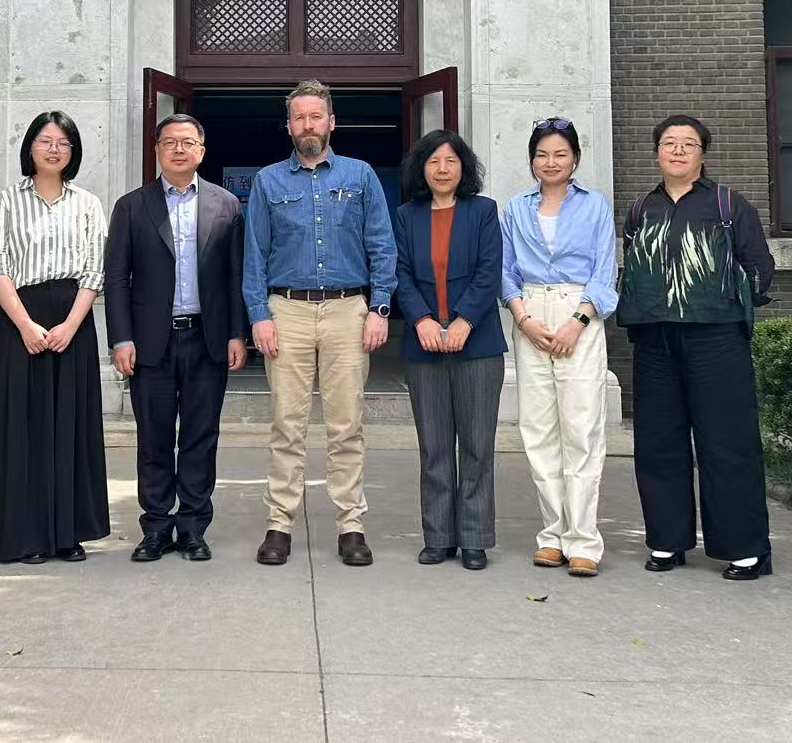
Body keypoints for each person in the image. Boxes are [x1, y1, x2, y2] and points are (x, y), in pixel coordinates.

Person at [245, 79, 396, 567]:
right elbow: (255, 255)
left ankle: (351, 525)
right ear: (288, 126)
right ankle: (279, 524)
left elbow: (382, 245)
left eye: (316, 117)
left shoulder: (361, 175)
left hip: (347, 311)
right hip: (286, 310)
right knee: (286, 424)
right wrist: (259, 315)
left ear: (331, 122)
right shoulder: (268, 181)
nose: (308, 125)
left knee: (346, 425)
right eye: (299, 118)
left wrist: (379, 308)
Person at [618, 114, 776, 581]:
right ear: (657, 153)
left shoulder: (729, 204)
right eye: (669, 143)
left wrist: (725, 302)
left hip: (717, 339)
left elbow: (759, 267)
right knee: (658, 444)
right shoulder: (641, 208)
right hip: (654, 341)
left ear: (703, 154)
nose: (678, 150)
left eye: (689, 144)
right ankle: (667, 541)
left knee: (727, 443)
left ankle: (744, 548)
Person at [104, 113, 247, 563]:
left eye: (188, 143)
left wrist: (237, 334)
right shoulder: (131, 206)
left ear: (202, 150)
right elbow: (116, 279)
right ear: (157, 151)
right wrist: (121, 339)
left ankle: (193, 528)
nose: (179, 150)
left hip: (207, 338)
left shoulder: (226, 205)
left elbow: (235, 276)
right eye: (170, 142)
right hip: (151, 341)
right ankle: (155, 528)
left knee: (201, 437)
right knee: (154, 437)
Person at [0, 110, 110, 564]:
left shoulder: (88, 203)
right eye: (45, 141)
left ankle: (68, 534)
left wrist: (71, 325)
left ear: (73, 151)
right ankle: (26, 536)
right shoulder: (6, 201)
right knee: (25, 428)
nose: (54, 150)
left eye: (63, 143)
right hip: (23, 316)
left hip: (74, 318)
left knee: (71, 425)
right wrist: (24, 324)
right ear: (30, 147)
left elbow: (95, 269)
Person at [500, 117, 619, 579]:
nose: (550, 162)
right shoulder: (515, 208)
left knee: (581, 428)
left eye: (560, 154)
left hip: (579, 311)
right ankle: (552, 535)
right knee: (538, 429)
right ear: (532, 160)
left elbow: (604, 271)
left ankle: (584, 539)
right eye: (542, 154)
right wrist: (523, 318)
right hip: (530, 312)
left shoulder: (595, 205)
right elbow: (506, 270)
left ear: (575, 160)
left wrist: (578, 321)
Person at [393, 130, 506, 571]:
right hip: (424, 344)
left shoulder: (483, 211)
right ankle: (438, 536)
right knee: (434, 446)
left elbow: (489, 271)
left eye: (451, 161)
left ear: (464, 168)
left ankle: (475, 538)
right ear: (421, 169)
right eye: (434, 161)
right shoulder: (406, 215)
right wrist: (421, 319)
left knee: (477, 445)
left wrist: (463, 320)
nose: (442, 169)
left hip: (477, 344)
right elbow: (399, 272)